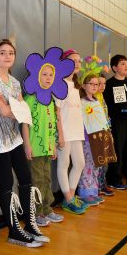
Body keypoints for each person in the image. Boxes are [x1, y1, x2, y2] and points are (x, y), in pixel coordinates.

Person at [0, 39, 48, 248]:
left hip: (15, 138)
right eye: (2, 52)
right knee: (6, 183)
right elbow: (3, 111)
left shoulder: (14, 82)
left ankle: (29, 224)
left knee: (26, 179)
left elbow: (23, 113)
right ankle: (14, 231)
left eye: (11, 52)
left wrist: (18, 114)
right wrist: (17, 111)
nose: (7, 56)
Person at [22, 64, 64, 227]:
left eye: (50, 75)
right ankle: (36, 212)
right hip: (35, 147)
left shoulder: (51, 99)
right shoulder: (30, 98)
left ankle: (46, 209)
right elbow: (25, 123)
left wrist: (53, 144)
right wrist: (27, 144)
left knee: (46, 178)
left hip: (47, 147)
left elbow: (52, 123)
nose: (48, 78)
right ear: (37, 76)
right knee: (37, 180)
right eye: (44, 74)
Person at [54, 49, 88, 215]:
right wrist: (60, 134)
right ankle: (68, 199)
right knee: (64, 164)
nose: (76, 63)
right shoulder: (59, 85)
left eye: (78, 60)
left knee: (80, 163)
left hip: (76, 132)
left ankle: (70, 197)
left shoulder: (76, 86)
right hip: (65, 132)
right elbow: (57, 112)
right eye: (72, 60)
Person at [78, 73, 109, 205]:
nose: (95, 86)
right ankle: (85, 193)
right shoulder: (82, 102)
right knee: (87, 166)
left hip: (99, 138)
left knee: (96, 165)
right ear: (84, 85)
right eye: (92, 84)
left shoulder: (97, 101)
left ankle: (93, 191)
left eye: (97, 84)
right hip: (87, 139)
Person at [103, 54, 127, 189]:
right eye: (122, 64)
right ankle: (114, 179)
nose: (126, 66)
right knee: (117, 150)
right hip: (117, 122)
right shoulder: (109, 85)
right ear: (115, 67)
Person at [95, 73, 115, 197]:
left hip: (106, 131)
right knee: (99, 162)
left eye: (104, 83)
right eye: (99, 84)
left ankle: (103, 184)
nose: (102, 86)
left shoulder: (102, 97)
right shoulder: (94, 98)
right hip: (97, 133)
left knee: (105, 163)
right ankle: (97, 186)